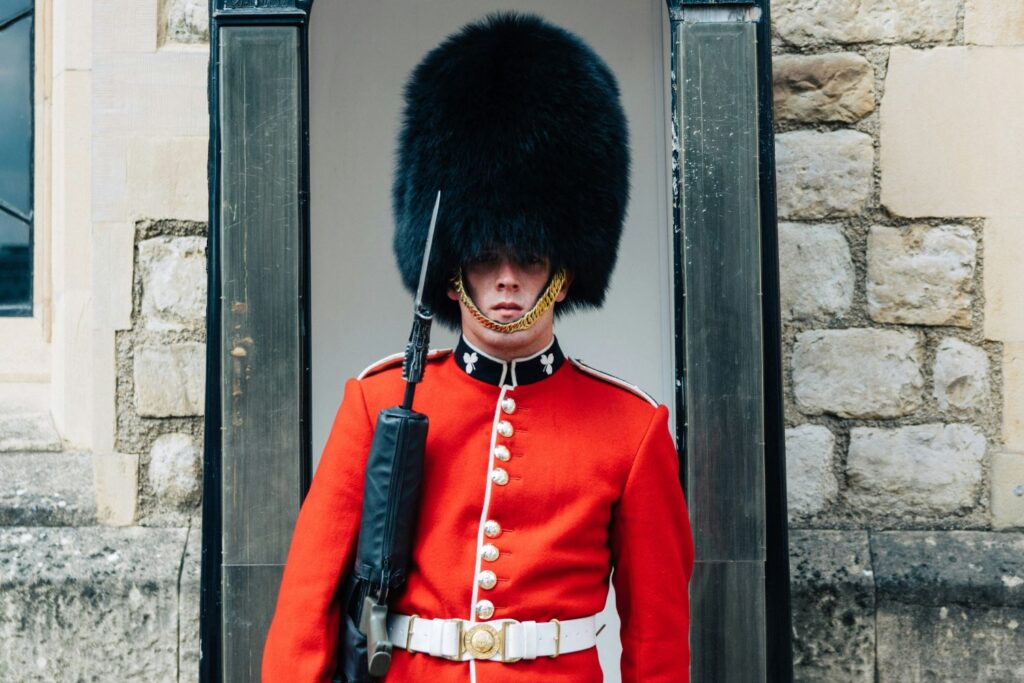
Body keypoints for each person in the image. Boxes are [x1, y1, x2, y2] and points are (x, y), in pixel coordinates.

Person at [262, 12, 693, 683]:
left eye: (528, 255)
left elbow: (658, 642)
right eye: (485, 255)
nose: (506, 279)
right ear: (453, 266)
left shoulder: (631, 432)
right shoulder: (378, 402)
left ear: (565, 266)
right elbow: (304, 610)